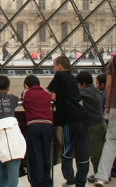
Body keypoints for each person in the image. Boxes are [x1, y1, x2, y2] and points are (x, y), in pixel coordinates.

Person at [47, 55, 89, 187]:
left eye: (54, 66)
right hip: (82, 116)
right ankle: (81, 181)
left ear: (60, 66)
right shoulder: (72, 77)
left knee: (67, 149)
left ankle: (70, 179)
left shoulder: (59, 76)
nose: (54, 69)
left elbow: (52, 95)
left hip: (69, 117)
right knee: (82, 150)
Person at [0, 75, 26, 187]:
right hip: (14, 138)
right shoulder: (13, 98)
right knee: (12, 170)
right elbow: (21, 99)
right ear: (8, 88)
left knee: (0, 166)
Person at [21, 75, 54, 187]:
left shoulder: (27, 92)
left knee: (35, 156)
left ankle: (37, 183)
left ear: (26, 85)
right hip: (48, 125)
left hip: (34, 124)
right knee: (46, 154)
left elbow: (23, 99)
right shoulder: (46, 91)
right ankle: (47, 181)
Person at [75, 71, 107, 183]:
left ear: (83, 83)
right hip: (100, 124)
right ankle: (102, 174)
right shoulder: (94, 90)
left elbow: (74, 95)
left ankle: (100, 176)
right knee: (100, 150)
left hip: (95, 126)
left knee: (95, 152)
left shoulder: (87, 91)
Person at [94, 56, 116, 187]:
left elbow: (108, 85)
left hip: (115, 105)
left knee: (111, 141)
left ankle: (101, 176)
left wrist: (107, 106)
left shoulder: (114, 60)